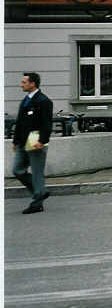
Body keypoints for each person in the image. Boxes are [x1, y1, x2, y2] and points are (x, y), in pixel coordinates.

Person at [12, 72, 53, 214]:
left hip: (36, 140)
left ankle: (37, 203)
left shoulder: (44, 101)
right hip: (23, 141)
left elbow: (47, 124)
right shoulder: (25, 100)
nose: (21, 84)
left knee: (36, 173)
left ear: (32, 84)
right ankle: (40, 191)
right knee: (17, 170)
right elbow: (19, 122)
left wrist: (42, 141)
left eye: (24, 82)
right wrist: (15, 141)